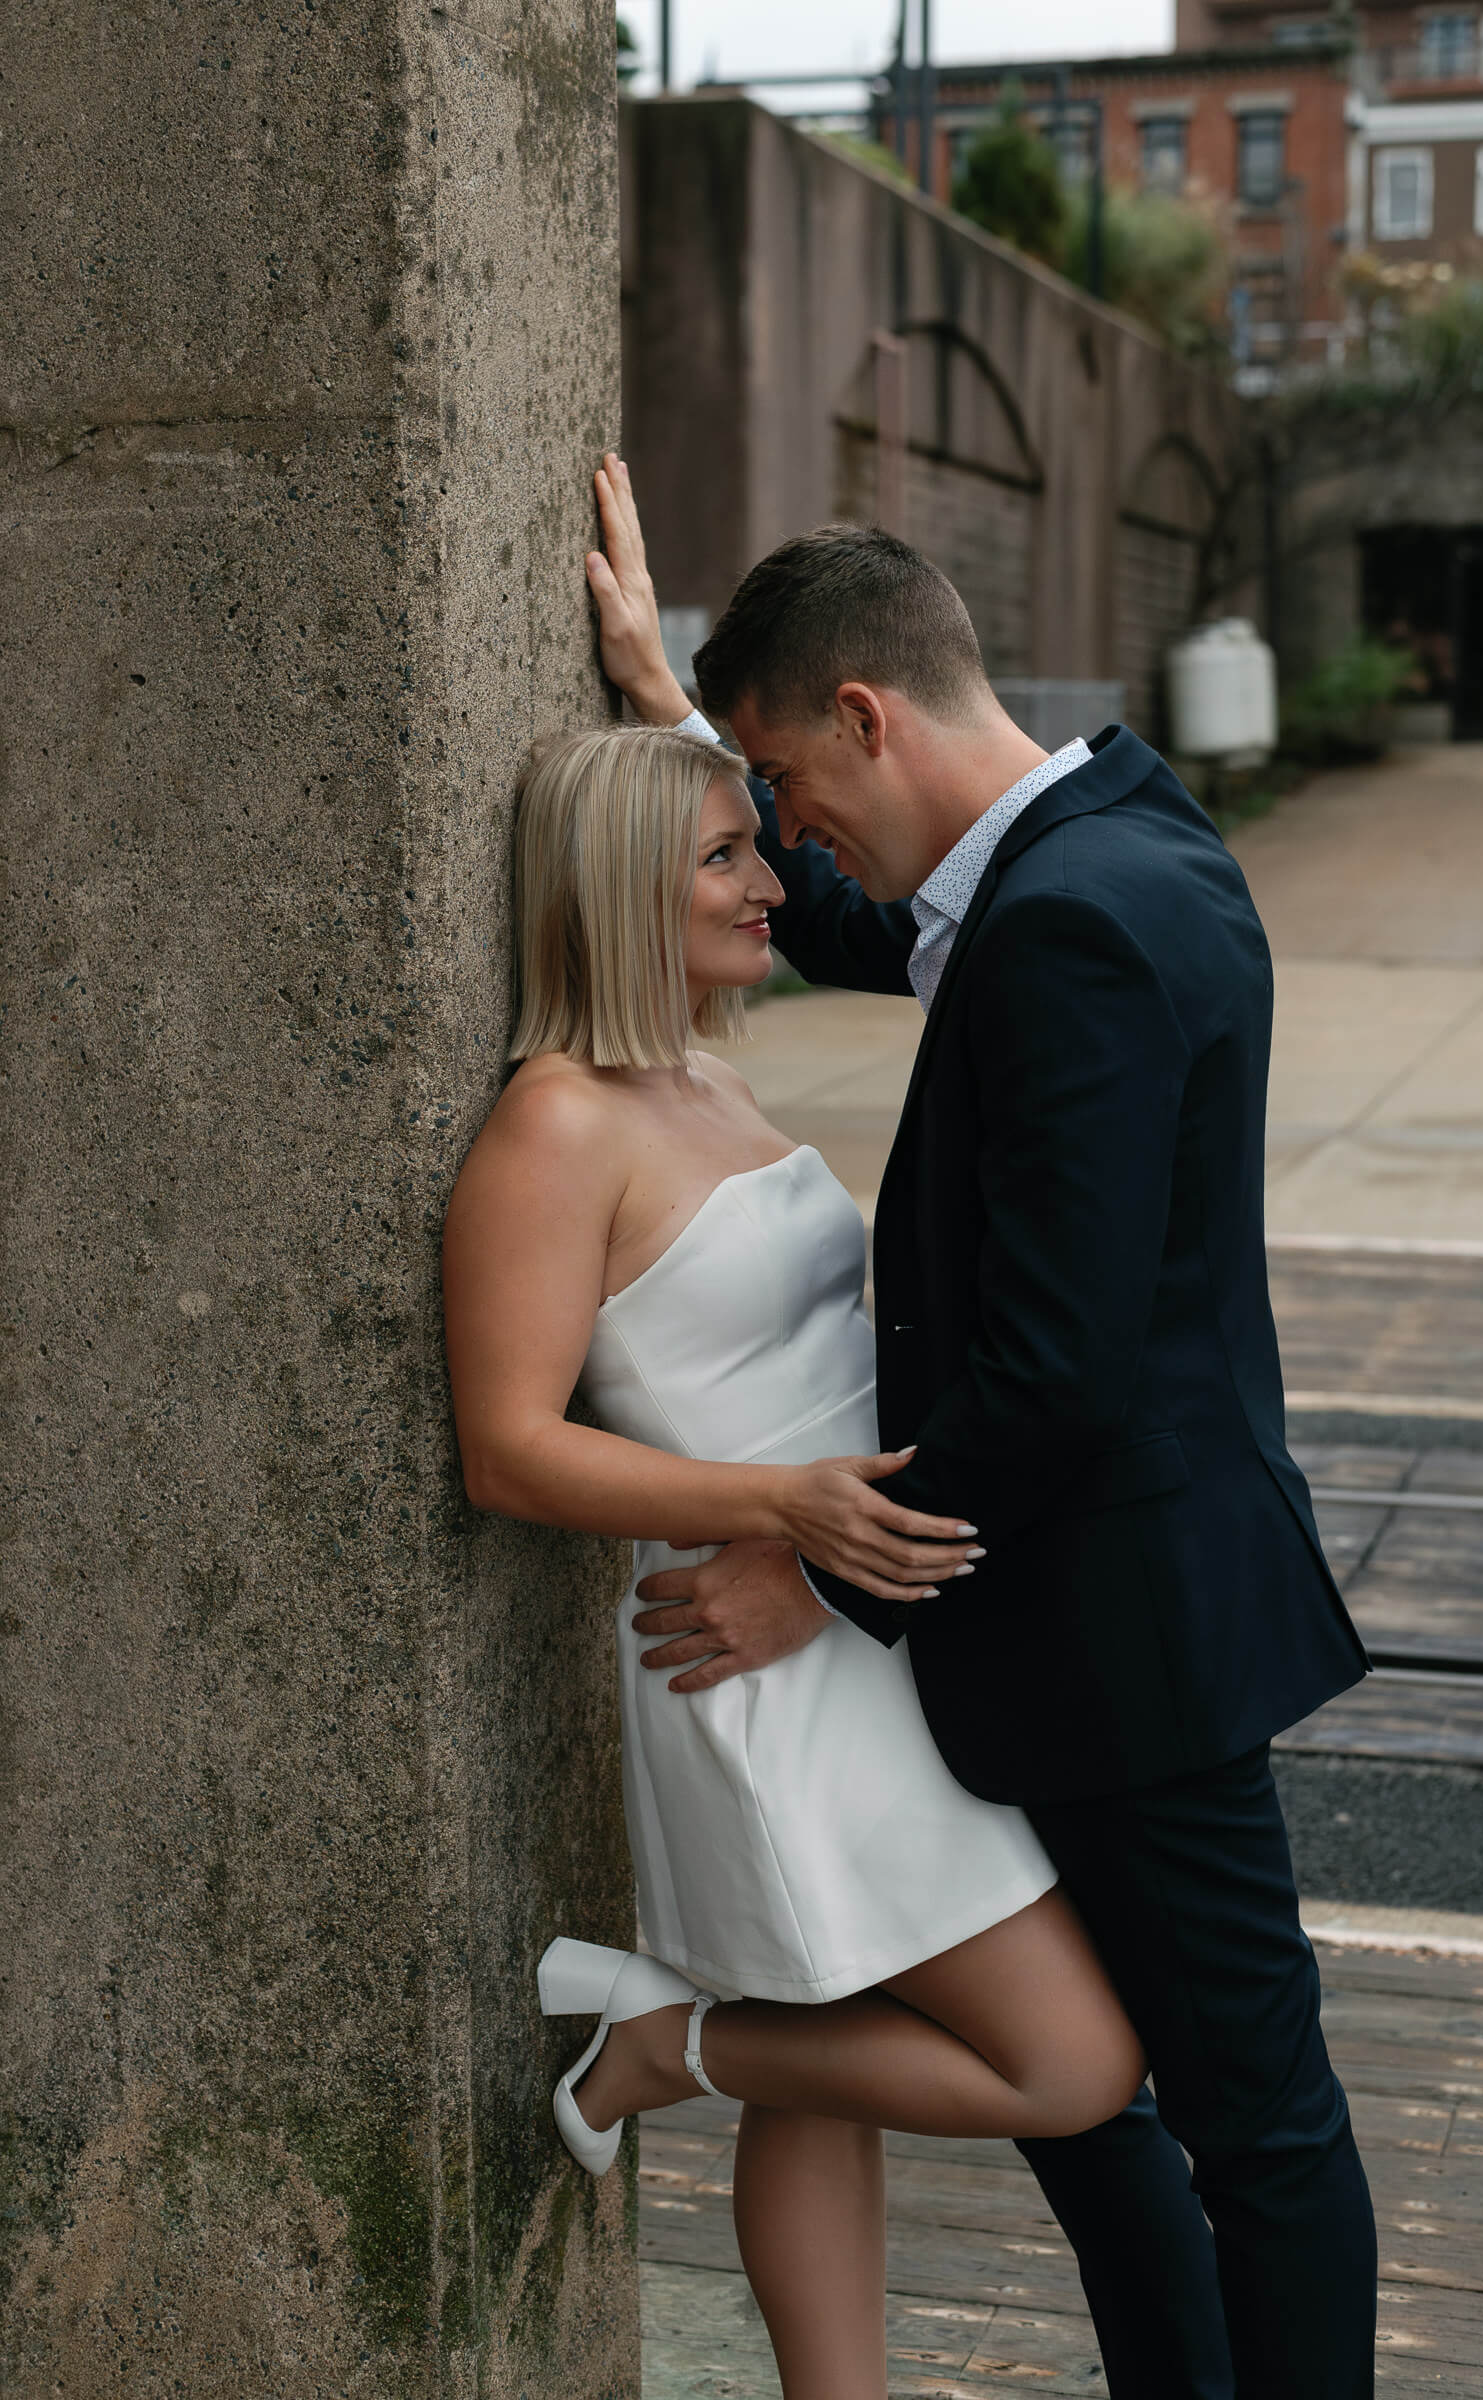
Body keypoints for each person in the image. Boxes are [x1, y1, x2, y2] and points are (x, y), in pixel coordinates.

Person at [584, 455, 1379, 2400]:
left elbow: (1053, 1372)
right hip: (1091, 1607)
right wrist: (671, 715)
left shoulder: (1065, 926)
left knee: (1253, 2129)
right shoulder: (1117, 834)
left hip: (1124, 1622)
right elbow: (873, 930)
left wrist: (811, 1573)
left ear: (864, 716)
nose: (788, 842)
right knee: (1102, 2114)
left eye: (786, 789)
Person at [443, 717, 1148, 2400]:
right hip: (751, 1652)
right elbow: (509, 1449)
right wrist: (786, 1516)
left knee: (824, 2079)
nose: (775, 881)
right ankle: (660, 2046)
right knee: (1074, 2062)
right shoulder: (553, 1129)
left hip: (857, 1622)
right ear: (620, 886)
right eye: (723, 854)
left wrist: (662, 686)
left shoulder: (713, 1079)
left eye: (758, 839)